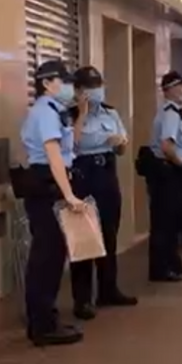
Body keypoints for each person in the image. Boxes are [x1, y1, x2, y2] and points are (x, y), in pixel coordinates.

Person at [20, 60, 86, 346]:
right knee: (46, 257)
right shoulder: (45, 113)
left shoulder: (54, 112)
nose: (68, 86)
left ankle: (48, 317)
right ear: (47, 84)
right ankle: (42, 325)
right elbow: (53, 155)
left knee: (54, 255)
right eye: (63, 80)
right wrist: (68, 194)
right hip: (46, 185)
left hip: (51, 184)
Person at [67, 66, 136, 321]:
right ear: (78, 90)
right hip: (82, 177)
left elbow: (122, 147)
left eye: (97, 85)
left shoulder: (110, 112)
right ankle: (82, 299)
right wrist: (82, 115)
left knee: (109, 234)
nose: (95, 91)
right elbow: (70, 145)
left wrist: (119, 144)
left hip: (107, 173)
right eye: (89, 87)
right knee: (84, 238)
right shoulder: (68, 114)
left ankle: (108, 289)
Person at [147, 71, 182, 283]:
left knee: (173, 220)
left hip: (170, 170)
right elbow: (167, 146)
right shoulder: (170, 113)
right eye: (181, 86)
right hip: (168, 171)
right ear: (171, 89)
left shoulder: (174, 111)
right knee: (164, 222)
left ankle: (173, 262)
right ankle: (161, 268)